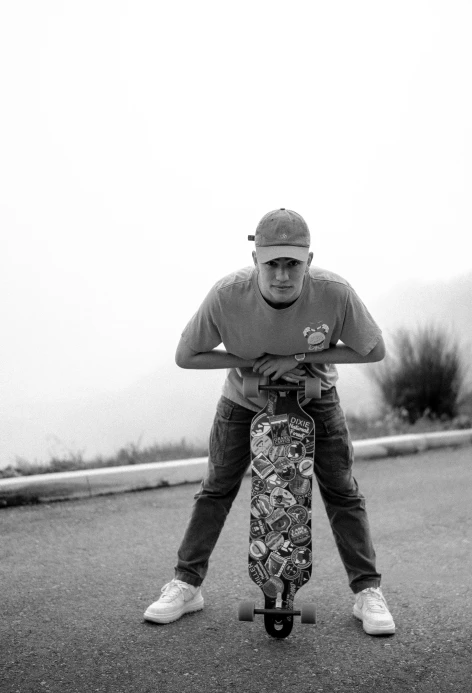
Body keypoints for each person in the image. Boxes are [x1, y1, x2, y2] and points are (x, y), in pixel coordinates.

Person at [144, 208, 395, 636]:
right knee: (217, 488)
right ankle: (186, 585)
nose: (282, 275)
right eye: (272, 263)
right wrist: (253, 365)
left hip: (316, 400)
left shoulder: (334, 293)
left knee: (341, 491)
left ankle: (367, 592)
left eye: (292, 263)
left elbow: (373, 350)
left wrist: (298, 358)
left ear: (309, 261)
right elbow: (186, 356)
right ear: (255, 259)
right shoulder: (227, 295)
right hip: (243, 402)